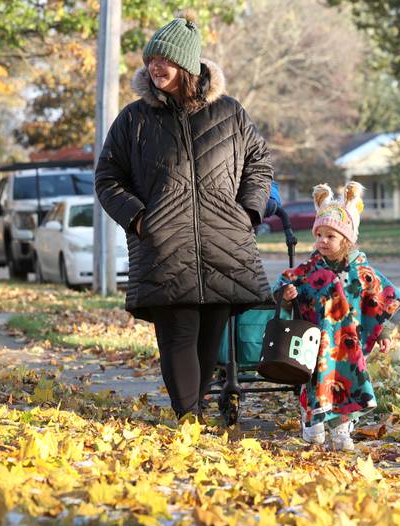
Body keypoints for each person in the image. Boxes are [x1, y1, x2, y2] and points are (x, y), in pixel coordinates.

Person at [95, 16, 273, 420]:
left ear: (187, 65)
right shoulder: (134, 119)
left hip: (223, 242)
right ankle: (188, 417)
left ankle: (196, 410)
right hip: (164, 245)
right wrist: (139, 219)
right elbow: (108, 177)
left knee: (209, 337)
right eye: (151, 59)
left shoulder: (230, 112)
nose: (156, 67)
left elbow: (258, 164)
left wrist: (246, 212)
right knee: (177, 333)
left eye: (165, 60)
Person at [274, 182, 400, 450]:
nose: (322, 240)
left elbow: (378, 299)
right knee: (313, 383)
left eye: (330, 236)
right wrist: (285, 294)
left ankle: (342, 431)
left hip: (349, 341)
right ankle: (312, 423)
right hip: (314, 339)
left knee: (347, 382)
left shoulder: (361, 271)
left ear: (346, 240)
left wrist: (383, 332)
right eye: (319, 234)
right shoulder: (309, 269)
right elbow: (285, 283)